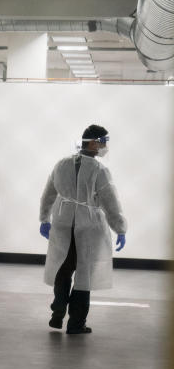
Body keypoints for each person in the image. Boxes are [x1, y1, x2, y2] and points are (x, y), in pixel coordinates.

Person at [38, 124, 127, 334]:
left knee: (63, 268)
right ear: (94, 142)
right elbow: (110, 201)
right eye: (104, 142)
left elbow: (48, 193)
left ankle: (57, 312)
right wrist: (120, 228)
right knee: (83, 274)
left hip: (62, 223)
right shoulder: (99, 171)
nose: (105, 147)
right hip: (87, 227)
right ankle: (76, 323)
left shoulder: (61, 164)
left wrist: (44, 218)